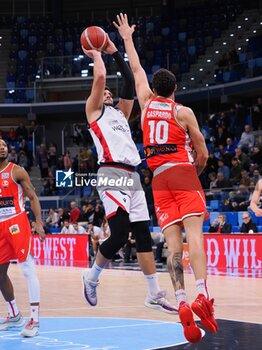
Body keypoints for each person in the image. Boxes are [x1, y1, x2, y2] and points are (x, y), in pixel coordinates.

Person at [114, 13, 217, 343]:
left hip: (157, 179)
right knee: (194, 236)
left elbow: (136, 69)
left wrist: (127, 38)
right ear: (174, 89)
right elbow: (202, 153)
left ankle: (181, 300)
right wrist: (195, 171)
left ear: (155, 89)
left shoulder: (145, 103)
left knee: (173, 247)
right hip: (183, 173)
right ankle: (201, 294)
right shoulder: (182, 111)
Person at [81, 32, 177, 314]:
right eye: (105, 93)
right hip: (110, 172)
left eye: (111, 93)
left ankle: (154, 294)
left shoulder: (120, 114)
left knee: (143, 236)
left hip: (132, 174)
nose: (109, 93)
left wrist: (113, 51)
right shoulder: (94, 111)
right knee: (120, 234)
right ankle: (92, 278)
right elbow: (99, 80)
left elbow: (126, 81)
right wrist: (96, 52)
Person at [0, 139, 45, 337]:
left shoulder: (16, 171)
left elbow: (33, 197)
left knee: (27, 268)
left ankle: (34, 320)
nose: (2, 147)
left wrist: (38, 222)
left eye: (3, 144)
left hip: (16, 222)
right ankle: (14, 315)